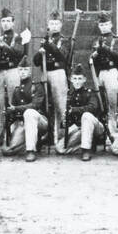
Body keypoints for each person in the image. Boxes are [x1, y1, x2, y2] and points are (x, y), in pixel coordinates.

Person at [32, 10, 71, 150]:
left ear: (60, 25)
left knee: (61, 106)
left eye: (56, 23)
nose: (54, 26)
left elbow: (63, 56)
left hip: (58, 74)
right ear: (48, 25)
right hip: (45, 73)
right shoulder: (45, 40)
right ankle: (48, 135)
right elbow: (36, 62)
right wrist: (40, 52)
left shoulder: (65, 40)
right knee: (45, 105)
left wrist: (48, 45)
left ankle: (61, 136)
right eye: (51, 23)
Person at [0, 7, 27, 141]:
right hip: (0, 73)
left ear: (13, 23)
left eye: (8, 21)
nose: (5, 23)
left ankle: (14, 134)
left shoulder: (18, 38)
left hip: (13, 72)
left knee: (14, 102)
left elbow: (18, 53)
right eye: (3, 21)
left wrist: (3, 46)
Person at [90, 12, 118, 142]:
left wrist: (104, 48)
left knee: (112, 104)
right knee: (101, 103)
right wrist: (95, 54)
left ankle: (114, 135)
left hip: (112, 72)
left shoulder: (117, 40)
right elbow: (92, 61)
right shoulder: (95, 41)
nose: (104, 27)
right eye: (101, 24)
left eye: (106, 24)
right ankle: (102, 135)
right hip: (100, 74)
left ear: (111, 24)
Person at [2, 64, 48, 162]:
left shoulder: (37, 86)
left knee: (29, 113)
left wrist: (15, 108)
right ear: (18, 71)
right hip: (23, 123)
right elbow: (13, 111)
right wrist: (8, 113)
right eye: (21, 70)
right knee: (7, 151)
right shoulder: (17, 89)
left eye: (25, 69)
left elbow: (35, 106)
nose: (23, 72)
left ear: (30, 71)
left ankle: (30, 150)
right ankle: (33, 141)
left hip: (40, 121)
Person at [62, 65, 105, 161]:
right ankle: (88, 144)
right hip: (81, 129)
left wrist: (74, 110)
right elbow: (71, 118)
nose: (77, 81)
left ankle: (86, 150)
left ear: (84, 79)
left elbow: (92, 108)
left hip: (95, 126)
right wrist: (66, 120)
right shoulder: (70, 95)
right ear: (71, 80)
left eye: (80, 79)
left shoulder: (90, 92)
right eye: (75, 79)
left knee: (86, 115)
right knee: (60, 148)